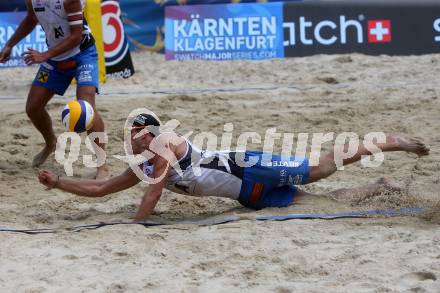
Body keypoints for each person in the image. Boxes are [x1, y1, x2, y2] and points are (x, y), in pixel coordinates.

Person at [37, 113, 430, 221]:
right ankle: (382, 184)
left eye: (134, 131)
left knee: (323, 168)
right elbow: (102, 190)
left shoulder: (163, 145)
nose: (130, 136)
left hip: (251, 168)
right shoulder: (143, 159)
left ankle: (392, 142)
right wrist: (58, 183)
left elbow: (153, 194)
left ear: (148, 132)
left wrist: (135, 226)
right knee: (318, 201)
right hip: (245, 195)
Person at [0, 0, 109, 179]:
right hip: (56, 58)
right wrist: (9, 45)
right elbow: (31, 18)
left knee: (87, 109)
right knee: (33, 108)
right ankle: (50, 142)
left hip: (83, 54)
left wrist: (44, 55)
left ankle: (102, 165)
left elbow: (75, 36)